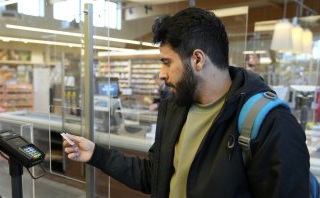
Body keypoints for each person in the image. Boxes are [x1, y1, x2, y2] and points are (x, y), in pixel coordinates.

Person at [63, 7, 309, 197]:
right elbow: (155, 176)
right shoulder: (175, 109)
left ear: (198, 60)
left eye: (167, 62)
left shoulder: (272, 125)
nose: (162, 74)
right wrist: (97, 155)